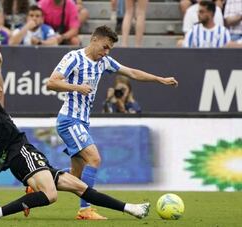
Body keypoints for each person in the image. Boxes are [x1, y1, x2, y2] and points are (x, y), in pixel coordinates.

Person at [0, 46, 151, 221]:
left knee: (79, 186)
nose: (0, 90)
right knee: (50, 195)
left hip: (18, 160)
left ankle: (132, 209)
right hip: (21, 152)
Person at [46, 25, 178, 220]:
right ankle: (85, 210)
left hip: (82, 122)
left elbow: (131, 72)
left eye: (110, 49)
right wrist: (77, 87)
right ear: (94, 40)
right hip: (69, 120)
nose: (106, 52)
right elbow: (51, 82)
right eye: (105, 47)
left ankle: (40, 181)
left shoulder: (103, 62)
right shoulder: (73, 58)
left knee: (75, 176)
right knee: (95, 159)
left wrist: (160, 79)